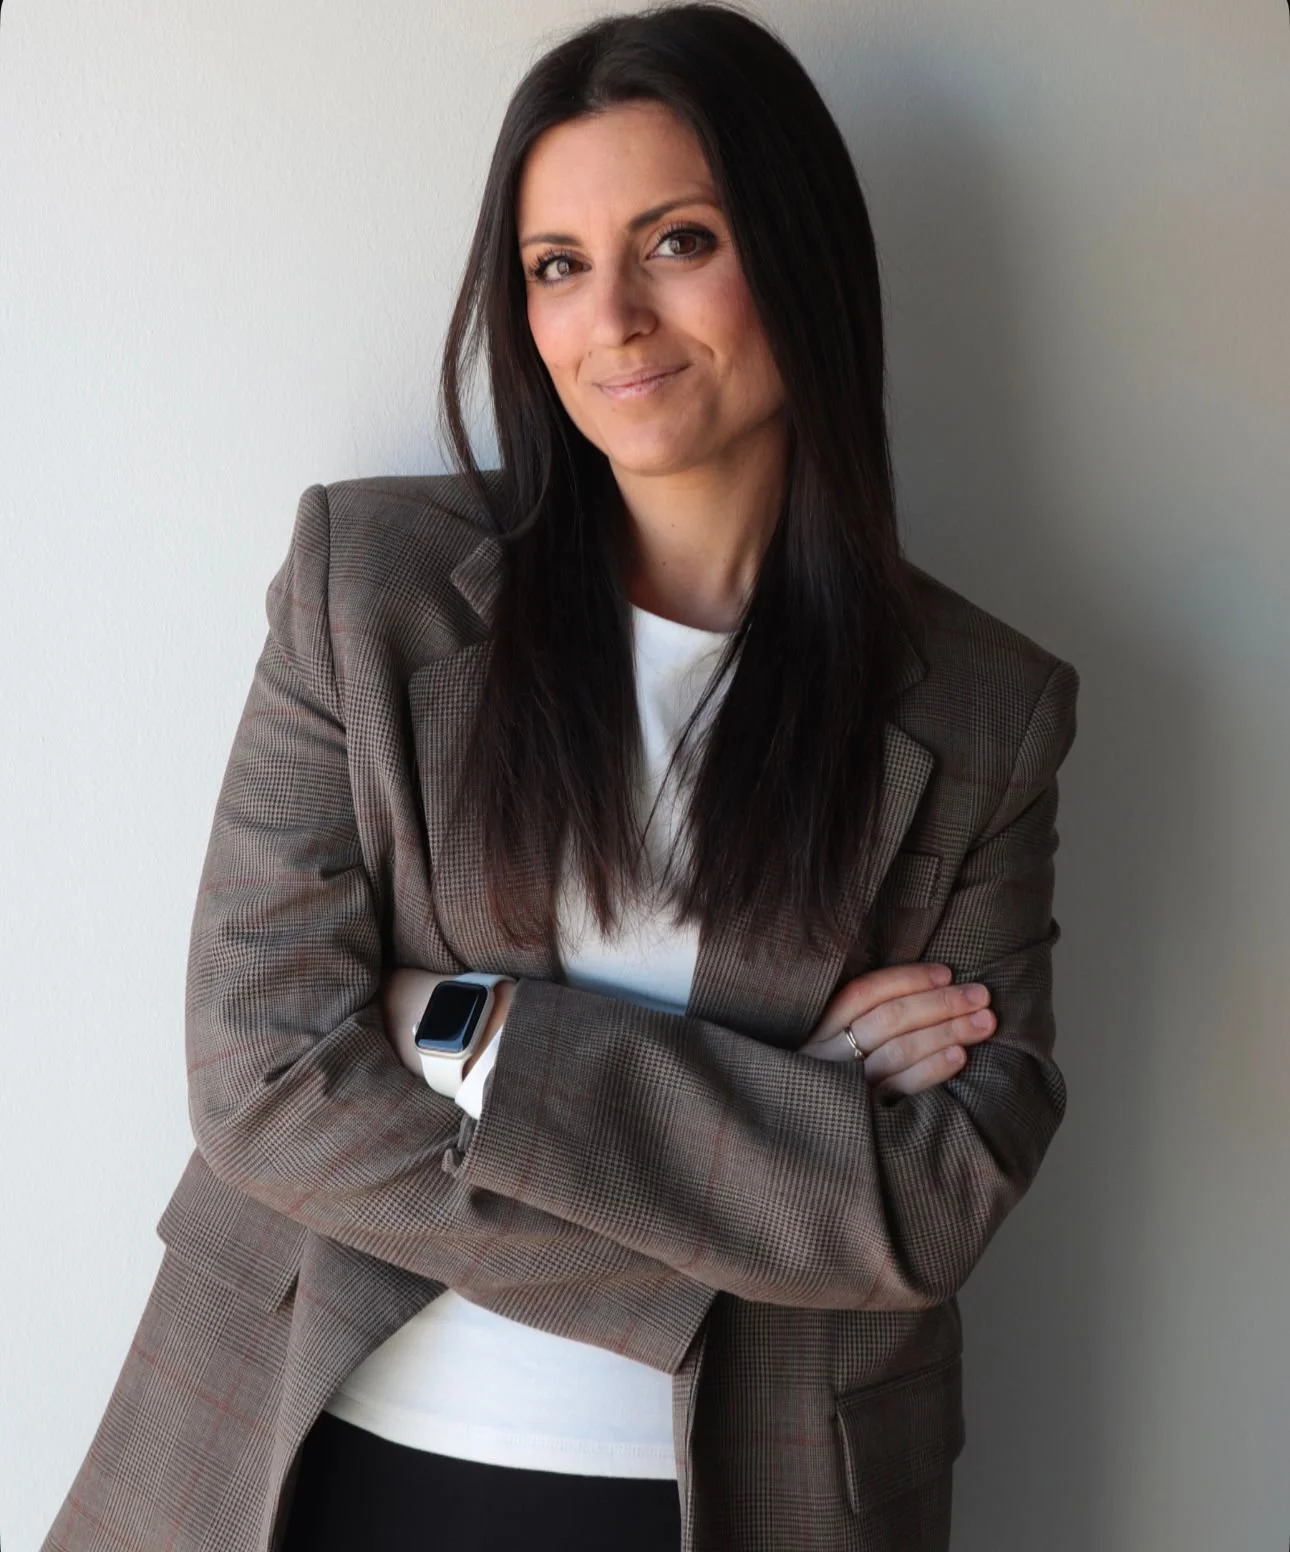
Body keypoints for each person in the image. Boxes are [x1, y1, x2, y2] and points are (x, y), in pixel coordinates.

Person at [42, 4, 1080, 1550]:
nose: (614, 319)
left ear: (796, 256)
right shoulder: (370, 589)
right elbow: (262, 1075)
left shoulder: (985, 710)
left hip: (744, 1492)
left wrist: (465, 1030)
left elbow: (928, 1202)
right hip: (322, 1451)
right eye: (555, 264)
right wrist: (776, 1114)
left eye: (676, 241)